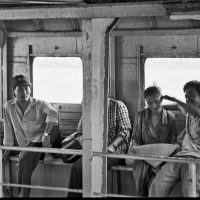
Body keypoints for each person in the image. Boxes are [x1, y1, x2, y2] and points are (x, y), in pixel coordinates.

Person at [3, 74, 62, 197]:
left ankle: (23, 194)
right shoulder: (9, 106)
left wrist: (46, 136)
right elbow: (8, 129)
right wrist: (7, 150)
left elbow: (54, 113)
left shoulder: (39, 104)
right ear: (13, 91)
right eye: (19, 89)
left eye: (26, 88)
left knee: (52, 122)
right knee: (24, 159)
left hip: (46, 142)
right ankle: (23, 193)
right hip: (28, 145)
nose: (24, 92)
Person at [67, 97, 132, 197]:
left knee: (81, 168)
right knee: (76, 168)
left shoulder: (118, 106)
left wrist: (112, 146)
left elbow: (126, 130)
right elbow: (80, 130)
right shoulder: (90, 107)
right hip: (95, 149)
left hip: (115, 151)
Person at [149, 80, 200, 197]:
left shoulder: (194, 111)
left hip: (197, 159)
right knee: (157, 185)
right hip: (181, 156)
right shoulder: (189, 114)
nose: (187, 99)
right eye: (186, 97)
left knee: (189, 189)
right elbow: (179, 107)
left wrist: (175, 99)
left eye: (192, 95)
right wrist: (158, 107)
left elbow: (191, 109)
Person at [128, 86, 177, 197]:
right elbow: (135, 139)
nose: (153, 106)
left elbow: (172, 143)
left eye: (156, 101)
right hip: (143, 157)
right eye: (149, 103)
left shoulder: (170, 117)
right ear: (146, 102)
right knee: (142, 183)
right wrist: (139, 151)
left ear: (162, 99)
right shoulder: (140, 116)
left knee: (158, 185)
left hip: (163, 158)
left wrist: (160, 161)